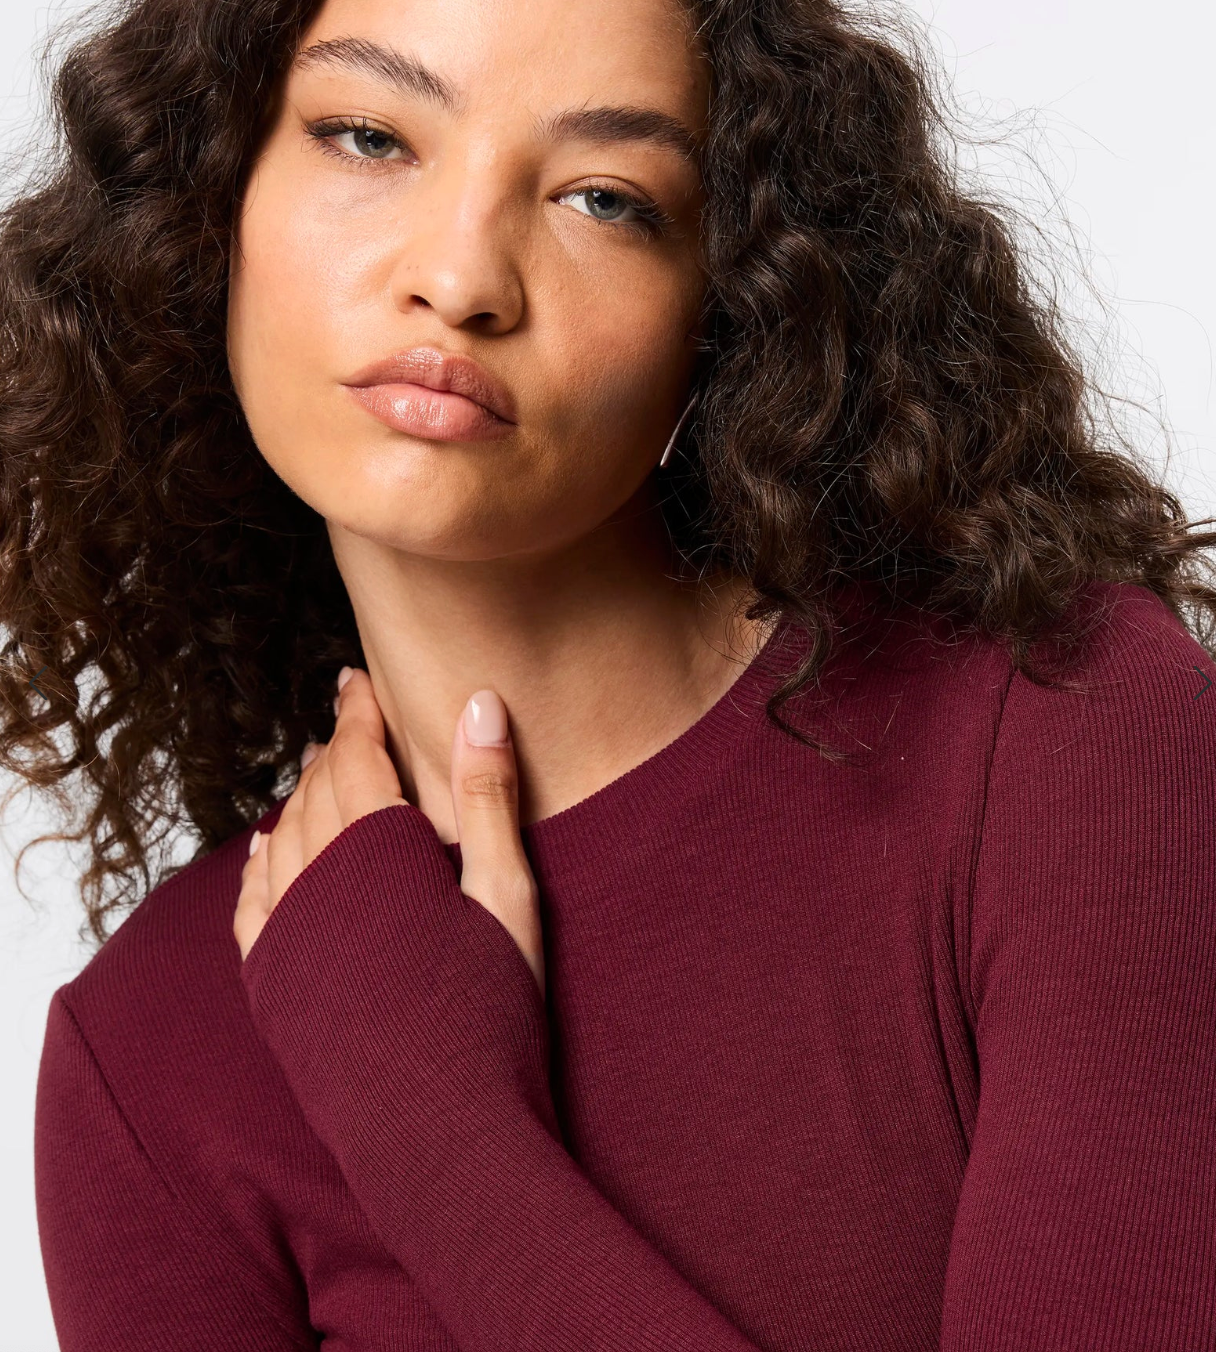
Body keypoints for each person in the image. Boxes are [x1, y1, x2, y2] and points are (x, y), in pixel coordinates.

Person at [3, 0, 1215, 1346]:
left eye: (603, 198)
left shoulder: (1066, 741)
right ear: (208, 194)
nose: (461, 276)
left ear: (733, 297)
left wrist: (426, 1121)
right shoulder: (157, 1056)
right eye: (368, 135)